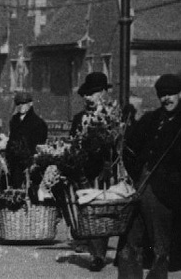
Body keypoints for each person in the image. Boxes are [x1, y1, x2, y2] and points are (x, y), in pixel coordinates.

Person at [119, 74, 181, 279]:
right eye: (162, 95)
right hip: (141, 187)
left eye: (171, 94)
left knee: (160, 246)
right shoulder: (149, 120)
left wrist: (173, 181)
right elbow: (129, 148)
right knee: (130, 240)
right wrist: (136, 173)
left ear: (180, 94)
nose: (167, 99)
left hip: (167, 196)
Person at [70, 72, 117, 272]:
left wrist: (111, 164)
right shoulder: (79, 118)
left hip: (104, 172)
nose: (89, 98)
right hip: (84, 172)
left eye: (94, 93)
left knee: (103, 212)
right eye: (87, 94)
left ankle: (99, 254)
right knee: (88, 212)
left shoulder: (112, 116)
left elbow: (118, 143)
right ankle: (95, 252)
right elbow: (73, 144)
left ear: (104, 92)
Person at [6, 91, 48, 188]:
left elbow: (39, 146)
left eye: (23, 103)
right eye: (18, 104)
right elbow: (11, 140)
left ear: (30, 104)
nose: (21, 106)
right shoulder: (14, 120)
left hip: (29, 163)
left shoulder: (38, 123)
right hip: (14, 163)